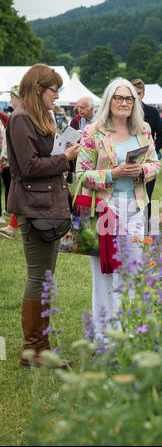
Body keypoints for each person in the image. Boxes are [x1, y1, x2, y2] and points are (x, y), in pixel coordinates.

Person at [6, 64, 80, 368]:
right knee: (39, 276)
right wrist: (65, 158)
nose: (57, 95)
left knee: (45, 277)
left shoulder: (37, 116)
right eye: (54, 90)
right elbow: (28, 167)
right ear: (38, 89)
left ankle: (40, 346)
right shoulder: (21, 118)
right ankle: (35, 350)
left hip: (46, 204)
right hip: (33, 207)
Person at [76, 77, 160, 342]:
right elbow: (80, 174)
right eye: (119, 98)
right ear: (109, 100)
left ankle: (128, 334)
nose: (124, 103)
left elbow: (155, 164)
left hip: (136, 208)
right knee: (104, 274)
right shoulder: (93, 132)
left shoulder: (143, 129)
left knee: (133, 271)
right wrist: (112, 174)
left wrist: (141, 170)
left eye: (129, 99)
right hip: (103, 210)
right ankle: (104, 339)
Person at [131, 79, 162, 221]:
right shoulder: (123, 114)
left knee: (147, 197)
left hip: (147, 161)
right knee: (130, 196)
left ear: (143, 94)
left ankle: (145, 229)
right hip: (128, 160)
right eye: (133, 93)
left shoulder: (151, 112)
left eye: (138, 93)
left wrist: (152, 150)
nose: (136, 96)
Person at [0, 86, 21, 238]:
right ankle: (12, 226)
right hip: (20, 161)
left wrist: (3, 158)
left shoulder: (18, 115)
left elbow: (9, 141)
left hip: (19, 162)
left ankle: (12, 227)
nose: (10, 102)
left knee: (19, 192)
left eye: (11, 99)